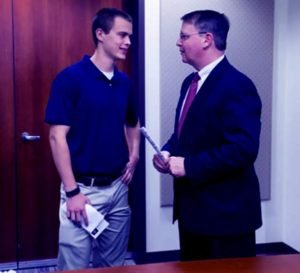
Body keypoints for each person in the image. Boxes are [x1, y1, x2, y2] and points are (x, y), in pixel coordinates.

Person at [153, 10, 262, 261]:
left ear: (206, 39)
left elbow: (243, 149)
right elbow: (185, 134)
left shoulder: (238, 85)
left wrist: (188, 166)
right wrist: (168, 152)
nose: (178, 43)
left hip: (226, 218)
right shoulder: (189, 83)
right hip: (193, 213)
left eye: (183, 36)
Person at [45, 8, 140, 270]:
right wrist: (72, 191)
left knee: (112, 265)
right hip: (82, 192)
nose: (128, 42)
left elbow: (133, 122)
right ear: (100, 34)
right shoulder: (71, 79)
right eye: (122, 35)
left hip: (118, 191)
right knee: (73, 267)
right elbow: (56, 137)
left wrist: (134, 155)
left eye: (130, 36)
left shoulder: (124, 82)